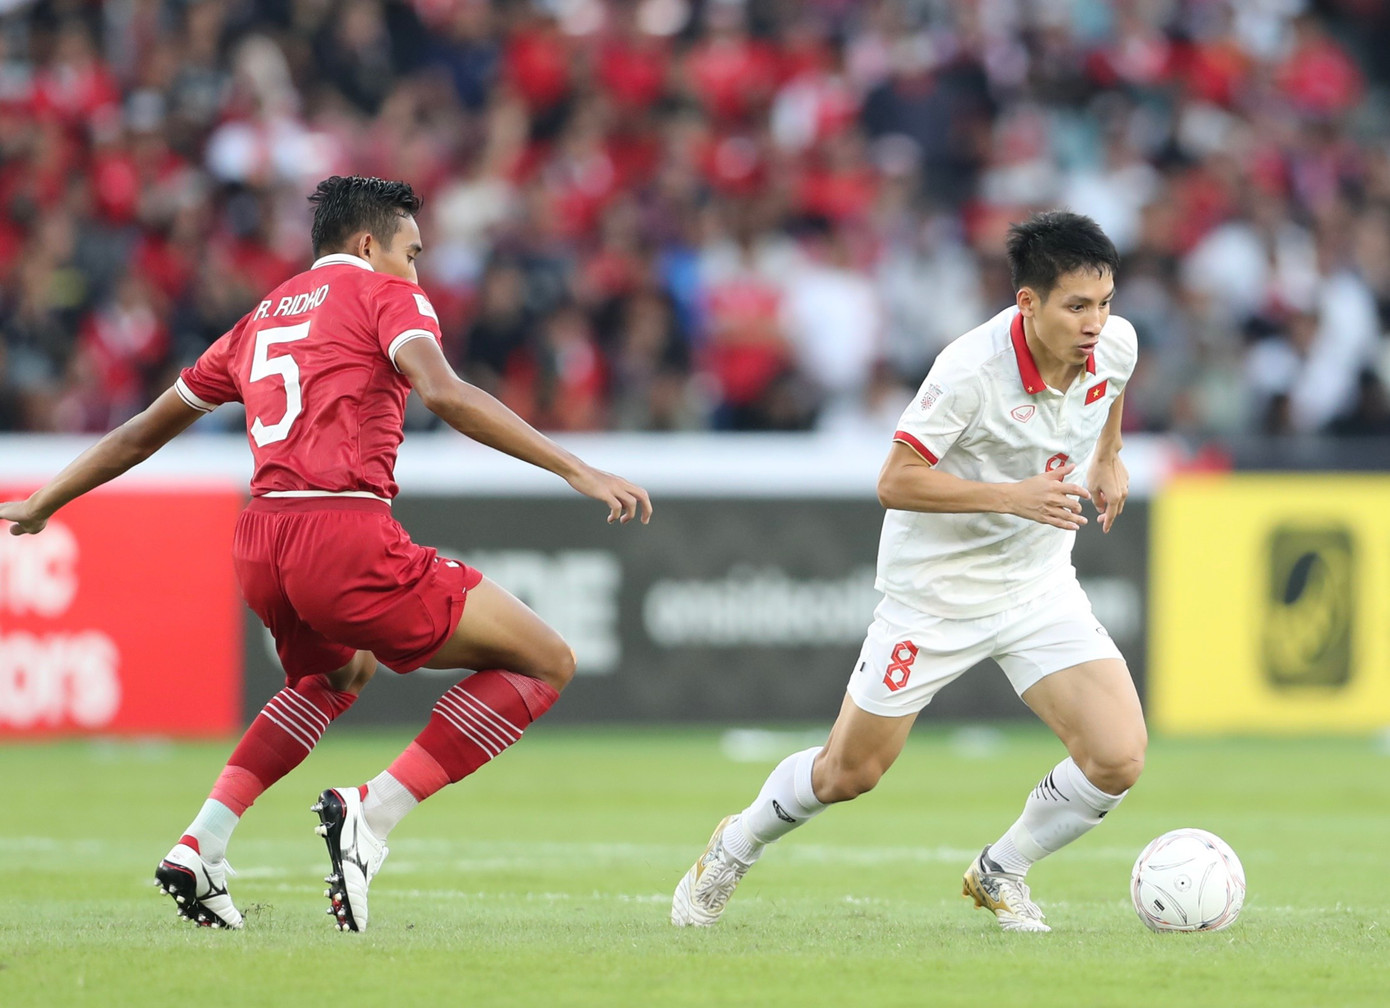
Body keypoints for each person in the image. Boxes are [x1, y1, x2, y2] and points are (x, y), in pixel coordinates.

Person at [0, 175, 652, 932]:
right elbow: (444, 393)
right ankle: (371, 813)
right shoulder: (386, 295)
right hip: (341, 532)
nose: (417, 270)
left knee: (339, 672)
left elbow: (143, 430)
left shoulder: (260, 316)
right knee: (546, 661)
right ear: (369, 245)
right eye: (412, 252)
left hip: (261, 541)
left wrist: (48, 499)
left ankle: (202, 842)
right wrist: (576, 468)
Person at [671, 210, 1143, 933]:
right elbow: (894, 481)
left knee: (1117, 757)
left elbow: (1110, 392)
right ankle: (735, 844)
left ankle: (1002, 869)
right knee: (848, 774)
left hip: (1037, 585)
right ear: (1028, 302)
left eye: (1105, 303)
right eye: (1077, 306)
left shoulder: (1115, 345)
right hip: (935, 595)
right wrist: (1011, 496)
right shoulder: (969, 371)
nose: (1096, 323)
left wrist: (1108, 457)